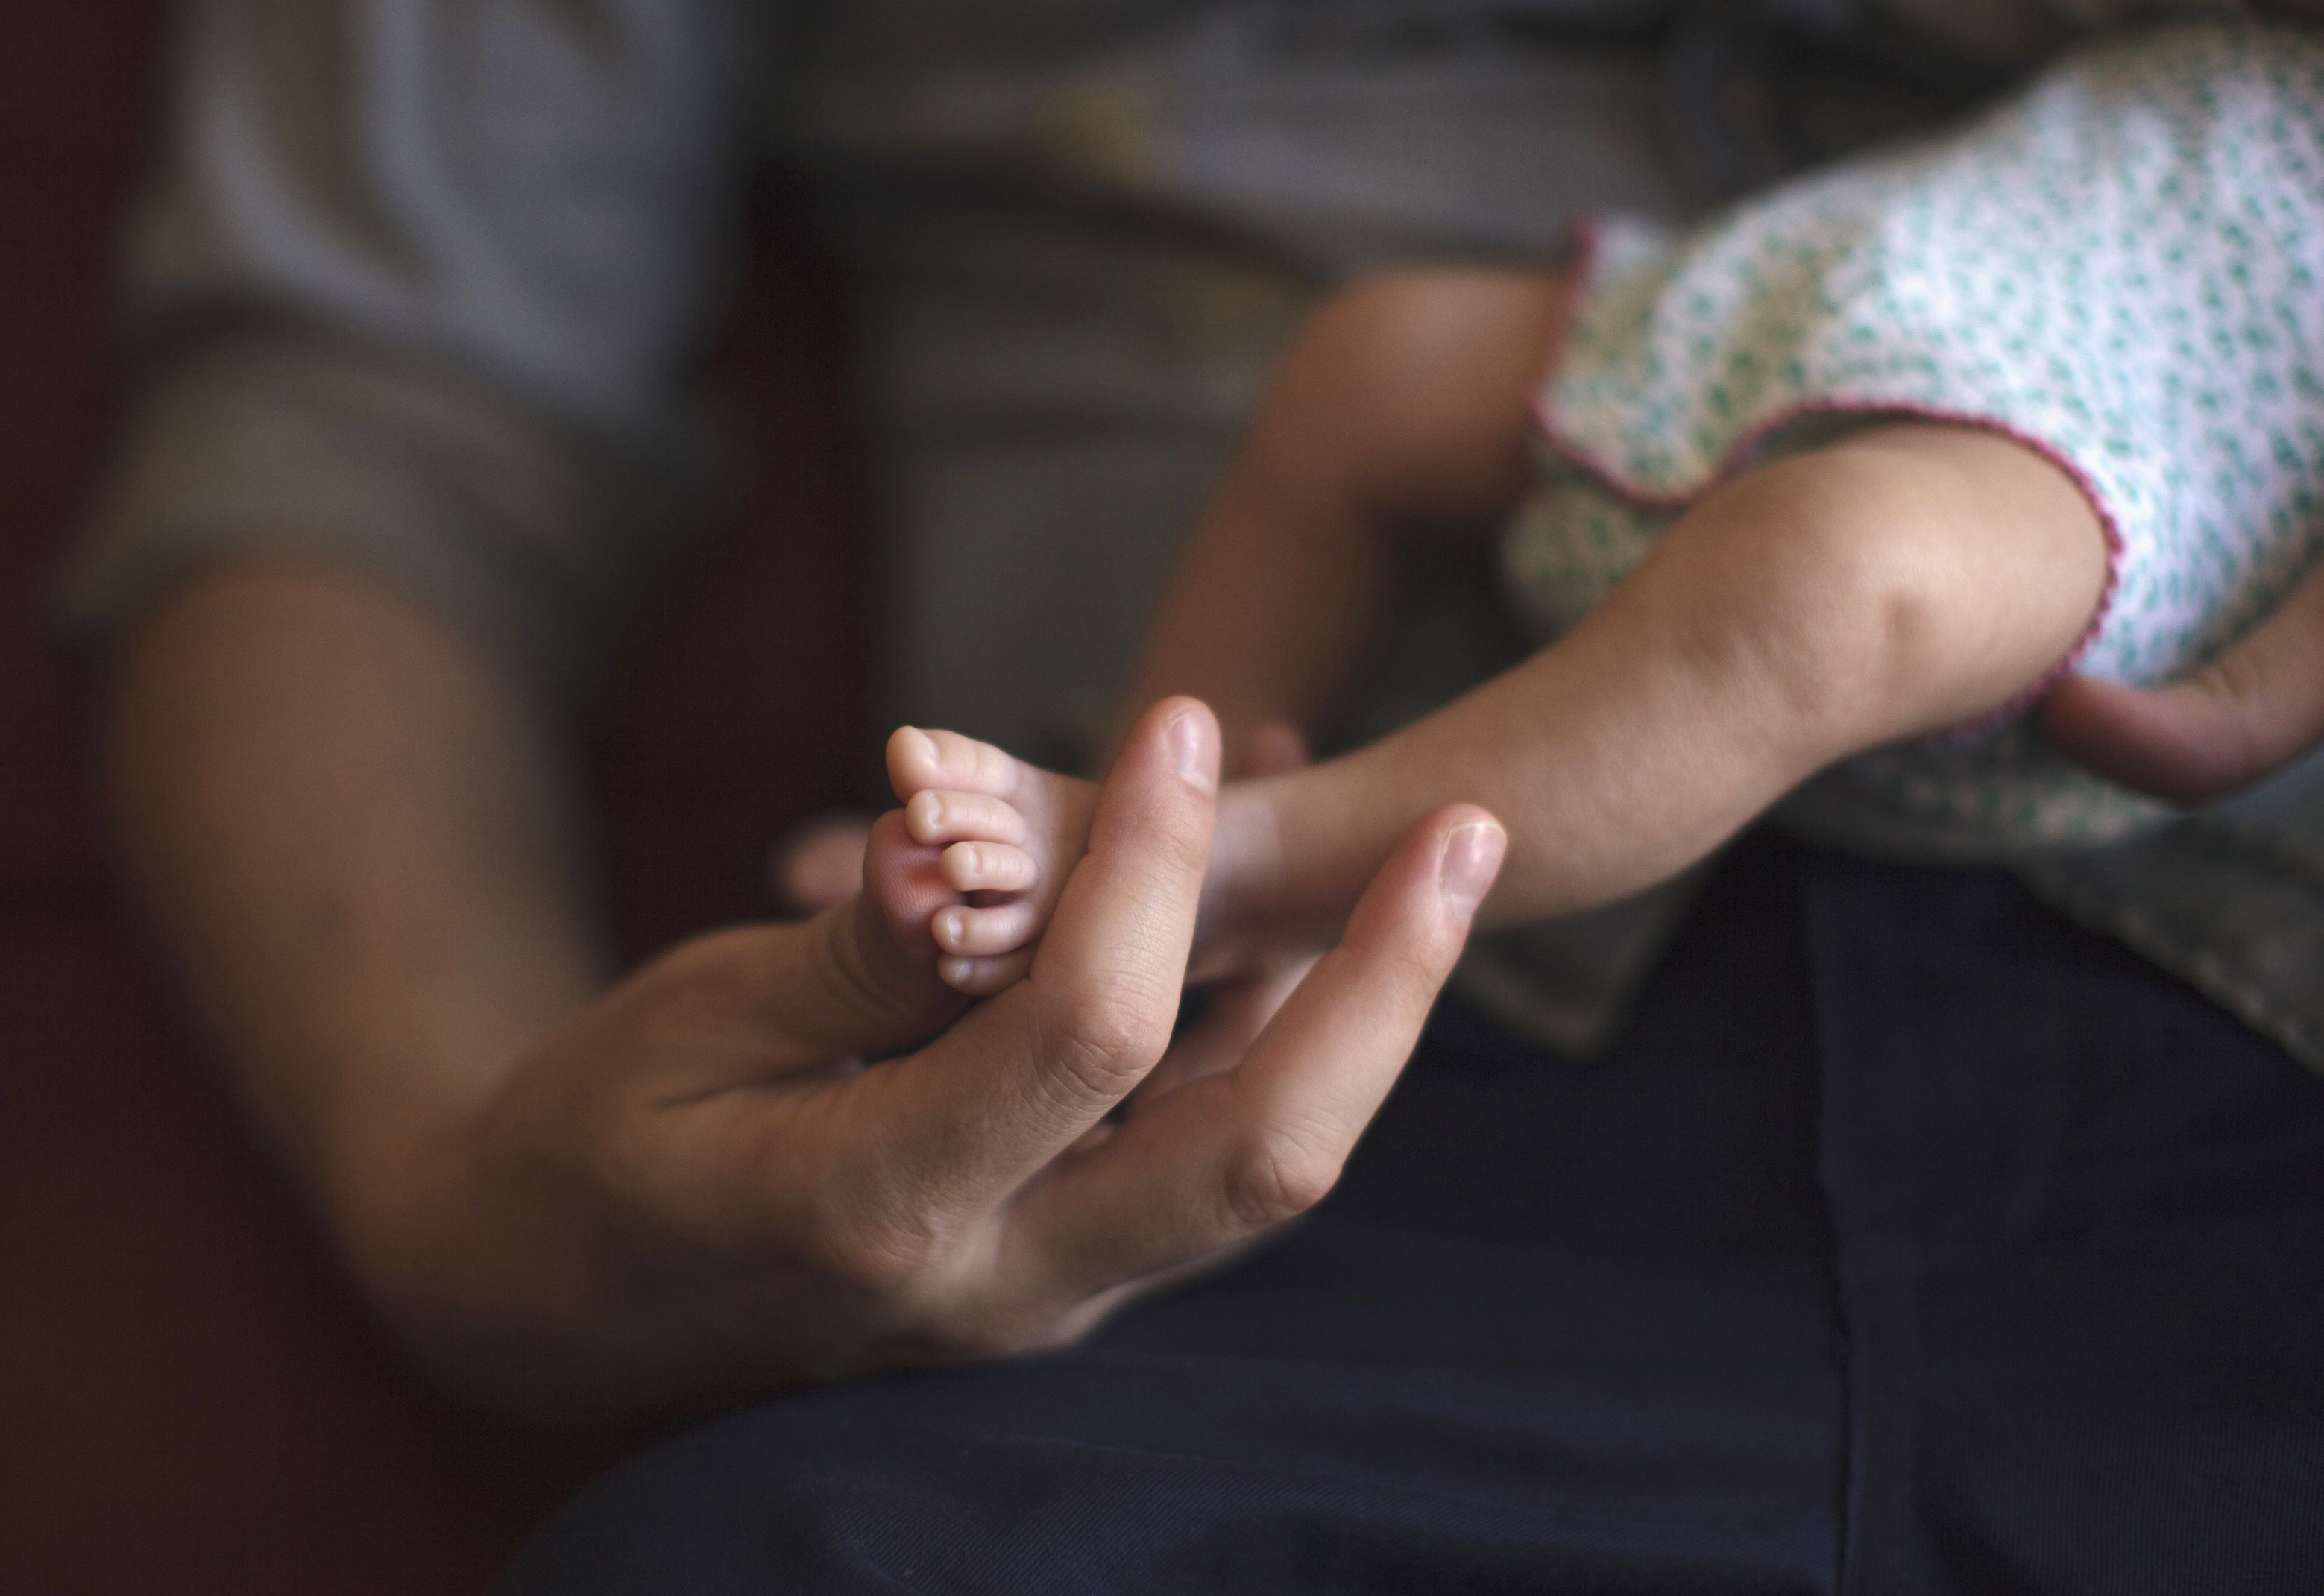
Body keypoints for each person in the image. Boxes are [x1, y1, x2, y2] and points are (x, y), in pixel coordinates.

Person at [63, 0, 2324, 1596]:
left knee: (1859, 575)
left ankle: (1198, 843)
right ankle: (1172, 836)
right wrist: (459, 1187)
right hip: (1176, 1203)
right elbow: (362, 421)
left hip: (2254, 1063)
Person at [878, 23, 2324, 991]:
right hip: (1861, 302)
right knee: (1367, 363)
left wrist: (2248, 704)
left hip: (2117, 474)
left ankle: (1233, 868)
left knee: (1833, 574)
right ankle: (1136, 788)